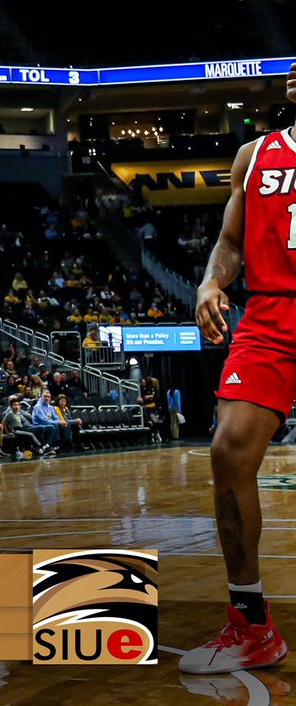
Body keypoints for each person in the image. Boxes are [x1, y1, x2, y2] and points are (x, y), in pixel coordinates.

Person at [181, 63, 296, 675]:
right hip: (272, 316)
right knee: (228, 453)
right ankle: (251, 624)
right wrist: (210, 279)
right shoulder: (255, 156)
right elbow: (230, 240)